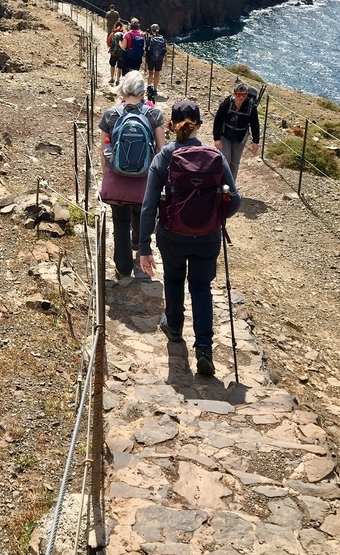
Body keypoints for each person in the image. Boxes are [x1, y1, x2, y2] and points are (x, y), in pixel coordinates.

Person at [139, 100, 241, 375]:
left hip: (172, 234)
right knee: (201, 288)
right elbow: (235, 201)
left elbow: (148, 205)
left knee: (173, 280)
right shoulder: (215, 157)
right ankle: (204, 348)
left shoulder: (164, 157)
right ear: (199, 124)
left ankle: (174, 329)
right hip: (207, 236)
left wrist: (144, 245)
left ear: (171, 124)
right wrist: (215, 218)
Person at [99, 71, 165, 280]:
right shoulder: (154, 115)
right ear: (143, 91)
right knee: (142, 212)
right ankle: (138, 240)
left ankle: (123, 267)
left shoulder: (111, 115)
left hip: (118, 178)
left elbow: (104, 151)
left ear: (123, 90)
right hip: (145, 179)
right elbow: (161, 150)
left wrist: (106, 176)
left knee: (119, 221)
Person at [212, 81, 260, 180]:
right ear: (234, 94)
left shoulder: (251, 107)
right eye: (239, 94)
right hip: (225, 135)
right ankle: (223, 184)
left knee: (235, 162)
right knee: (226, 160)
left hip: (240, 137)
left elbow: (255, 124)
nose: (241, 97)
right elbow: (218, 120)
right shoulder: (227, 103)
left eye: (244, 95)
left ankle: (231, 186)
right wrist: (217, 138)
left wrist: (255, 141)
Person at [145, 24, 167, 95]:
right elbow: (164, 49)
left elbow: (146, 49)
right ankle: (155, 89)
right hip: (159, 59)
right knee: (157, 73)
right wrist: (165, 58)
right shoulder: (162, 38)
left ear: (151, 30)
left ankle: (149, 88)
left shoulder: (149, 38)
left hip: (151, 58)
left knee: (150, 73)